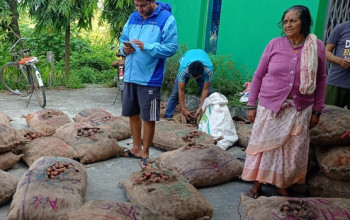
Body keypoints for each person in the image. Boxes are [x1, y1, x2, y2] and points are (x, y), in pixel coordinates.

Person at [241, 5, 327, 198]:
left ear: (304, 22)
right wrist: (251, 104)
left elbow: (321, 79)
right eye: (285, 21)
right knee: (264, 147)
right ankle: (258, 183)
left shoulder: (316, 46)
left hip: (300, 108)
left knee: (290, 150)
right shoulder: (274, 44)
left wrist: (317, 110)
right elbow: (258, 75)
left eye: (293, 20)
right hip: (271, 106)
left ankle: (282, 184)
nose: (288, 25)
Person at [118, 0, 177, 169]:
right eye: (136, 5)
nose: (139, 9)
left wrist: (148, 47)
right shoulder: (133, 17)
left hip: (150, 78)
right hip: (130, 75)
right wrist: (124, 50)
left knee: (149, 117)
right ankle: (136, 148)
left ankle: (145, 153)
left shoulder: (167, 19)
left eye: (143, 5)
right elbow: (122, 40)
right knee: (133, 114)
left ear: (152, 1)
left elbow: (171, 48)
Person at [164, 49, 213, 119]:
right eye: (193, 77)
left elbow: (205, 89)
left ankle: (208, 118)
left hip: (202, 59)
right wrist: (183, 109)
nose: (195, 79)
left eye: (197, 77)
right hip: (187, 58)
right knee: (175, 93)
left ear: (201, 74)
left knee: (209, 94)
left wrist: (201, 107)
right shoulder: (183, 70)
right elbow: (181, 90)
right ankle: (167, 116)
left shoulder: (208, 71)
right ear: (189, 72)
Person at [324, 21, 350, 110]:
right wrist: (340, 61)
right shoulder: (341, 28)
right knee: (327, 116)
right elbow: (326, 52)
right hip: (337, 82)